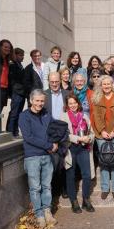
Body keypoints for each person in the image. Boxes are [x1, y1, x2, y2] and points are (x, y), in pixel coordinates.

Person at [18, 89, 58, 228]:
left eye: (42, 101)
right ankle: (39, 215)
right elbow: (28, 137)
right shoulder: (24, 116)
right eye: (37, 101)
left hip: (47, 156)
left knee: (47, 186)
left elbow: (54, 129)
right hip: (33, 157)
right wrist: (49, 145)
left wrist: (56, 141)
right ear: (31, 100)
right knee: (35, 188)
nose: (40, 103)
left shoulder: (46, 114)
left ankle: (47, 211)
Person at [92, 75, 114, 200]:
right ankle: (105, 188)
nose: (106, 86)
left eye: (109, 83)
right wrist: (102, 131)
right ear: (100, 85)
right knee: (104, 161)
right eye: (104, 84)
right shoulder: (96, 97)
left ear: (113, 84)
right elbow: (95, 115)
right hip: (101, 135)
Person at [60, 93, 95, 213]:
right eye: (70, 103)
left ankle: (86, 200)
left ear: (78, 104)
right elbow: (64, 135)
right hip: (71, 149)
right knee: (70, 176)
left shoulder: (84, 116)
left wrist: (89, 138)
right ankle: (74, 202)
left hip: (83, 148)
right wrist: (78, 138)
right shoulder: (63, 117)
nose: (73, 105)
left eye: (74, 103)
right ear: (67, 105)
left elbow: (92, 132)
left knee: (86, 175)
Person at [44, 72, 70, 213]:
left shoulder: (67, 93)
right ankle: (55, 191)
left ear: (61, 81)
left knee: (65, 161)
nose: (54, 84)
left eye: (57, 81)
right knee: (54, 163)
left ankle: (65, 189)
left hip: (64, 131)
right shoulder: (44, 95)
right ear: (48, 81)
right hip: (50, 133)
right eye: (52, 82)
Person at [6, 47, 26, 137]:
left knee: (18, 113)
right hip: (17, 92)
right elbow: (14, 81)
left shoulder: (19, 65)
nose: (22, 57)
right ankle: (10, 131)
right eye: (21, 55)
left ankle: (15, 131)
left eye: (23, 55)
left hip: (22, 93)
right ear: (16, 55)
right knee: (14, 113)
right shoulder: (13, 65)